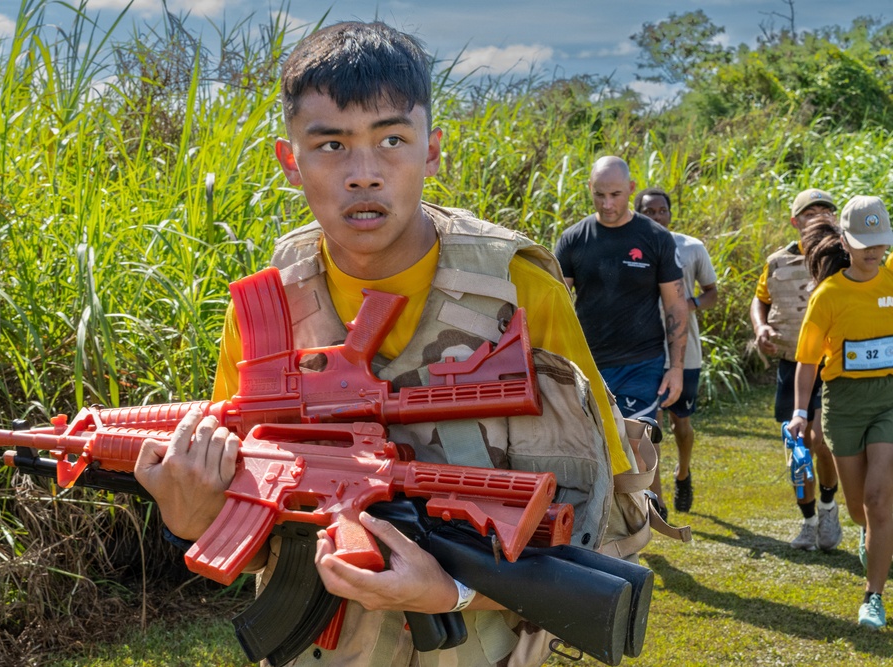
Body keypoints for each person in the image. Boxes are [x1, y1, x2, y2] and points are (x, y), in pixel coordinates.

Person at [133, 21, 634, 666]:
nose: (363, 174)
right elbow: (257, 508)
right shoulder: (267, 310)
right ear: (290, 161)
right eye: (331, 145)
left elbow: (600, 525)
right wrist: (193, 518)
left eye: (392, 140)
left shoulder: (519, 291)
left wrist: (451, 592)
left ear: (432, 151)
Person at [554, 157, 689, 519]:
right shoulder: (574, 239)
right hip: (589, 364)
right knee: (597, 447)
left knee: (636, 440)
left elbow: (676, 305)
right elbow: (555, 301)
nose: (607, 203)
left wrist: (676, 368)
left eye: (615, 194)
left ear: (631, 189)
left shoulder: (655, 238)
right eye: (599, 195)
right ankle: (627, 514)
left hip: (642, 362)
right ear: (589, 189)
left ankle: (643, 513)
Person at [787, 195, 893, 629]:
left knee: (879, 499)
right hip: (844, 403)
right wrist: (799, 410)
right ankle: (873, 536)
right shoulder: (828, 296)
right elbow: (808, 361)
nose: (874, 251)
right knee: (858, 510)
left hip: (888, 397)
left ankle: (873, 597)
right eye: (865, 243)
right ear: (845, 242)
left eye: (880, 242)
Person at [750, 188, 843, 552]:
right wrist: (761, 328)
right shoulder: (778, 262)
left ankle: (829, 507)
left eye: (825, 211)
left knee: (820, 440)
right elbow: (760, 300)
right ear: (795, 221)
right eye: (809, 213)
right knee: (798, 446)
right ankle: (809, 522)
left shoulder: (843, 257)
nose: (818, 218)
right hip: (792, 363)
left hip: (831, 365)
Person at [635, 187, 718, 515]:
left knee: (680, 424)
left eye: (662, 211)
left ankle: (683, 474)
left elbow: (712, 292)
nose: (657, 217)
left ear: (670, 213)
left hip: (685, 352)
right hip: (642, 351)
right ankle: (655, 499)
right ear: (638, 213)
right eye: (649, 212)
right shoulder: (628, 248)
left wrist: (687, 304)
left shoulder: (691, 247)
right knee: (647, 428)